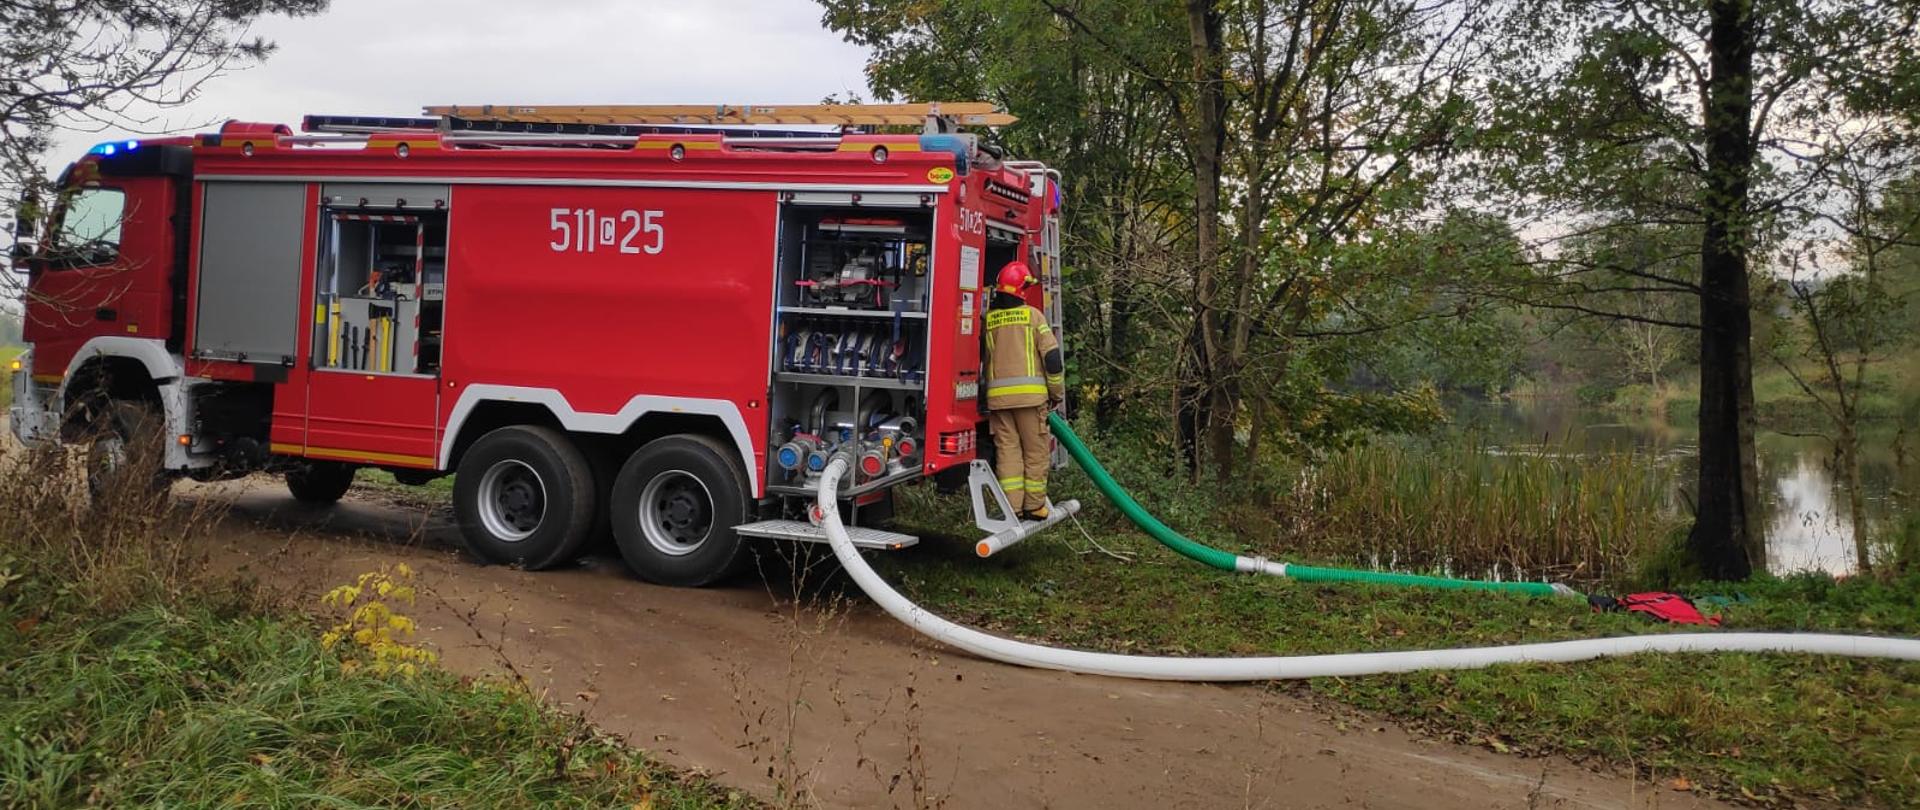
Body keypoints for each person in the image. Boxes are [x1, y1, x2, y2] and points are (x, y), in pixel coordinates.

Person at [982, 261, 1064, 520]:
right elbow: (1052, 359)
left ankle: (1013, 508)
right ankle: (1034, 506)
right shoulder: (1033, 316)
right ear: (1020, 289)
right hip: (1030, 400)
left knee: (1008, 453)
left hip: (999, 402)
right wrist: (1056, 393)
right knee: (1035, 452)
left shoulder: (989, 320)